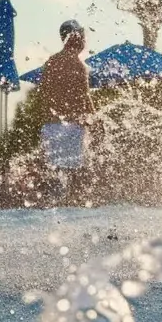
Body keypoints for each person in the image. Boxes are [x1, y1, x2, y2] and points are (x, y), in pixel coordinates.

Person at [35, 20, 96, 203]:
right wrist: (97, 120)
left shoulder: (51, 62)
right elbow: (85, 98)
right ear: (75, 37)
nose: (85, 40)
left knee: (53, 177)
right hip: (71, 128)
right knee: (73, 179)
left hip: (50, 127)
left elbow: (43, 95)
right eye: (83, 36)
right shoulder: (78, 65)